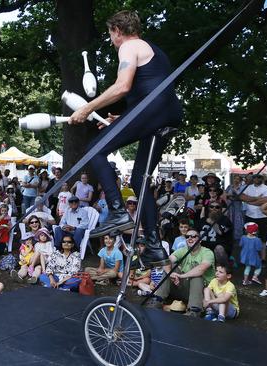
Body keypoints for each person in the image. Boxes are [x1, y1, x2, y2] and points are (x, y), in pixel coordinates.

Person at [70, 10, 182, 268]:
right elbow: (150, 88)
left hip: (152, 111)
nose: (111, 41)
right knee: (140, 180)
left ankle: (118, 212)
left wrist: (87, 108)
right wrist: (121, 118)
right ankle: (154, 246)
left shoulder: (130, 46)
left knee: (93, 150)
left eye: (111, 35)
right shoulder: (154, 50)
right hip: (165, 113)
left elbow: (123, 86)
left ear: (117, 30)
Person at [152, 229, 215, 317]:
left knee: (196, 274)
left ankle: (194, 310)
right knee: (171, 267)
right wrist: (171, 274)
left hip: (201, 292)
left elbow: (201, 269)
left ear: (200, 240)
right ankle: (157, 301)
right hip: (182, 288)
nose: (190, 238)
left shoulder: (207, 252)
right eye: (187, 236)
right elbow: (167, 261)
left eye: (193, 236)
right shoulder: (183, 250)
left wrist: (181, 276)